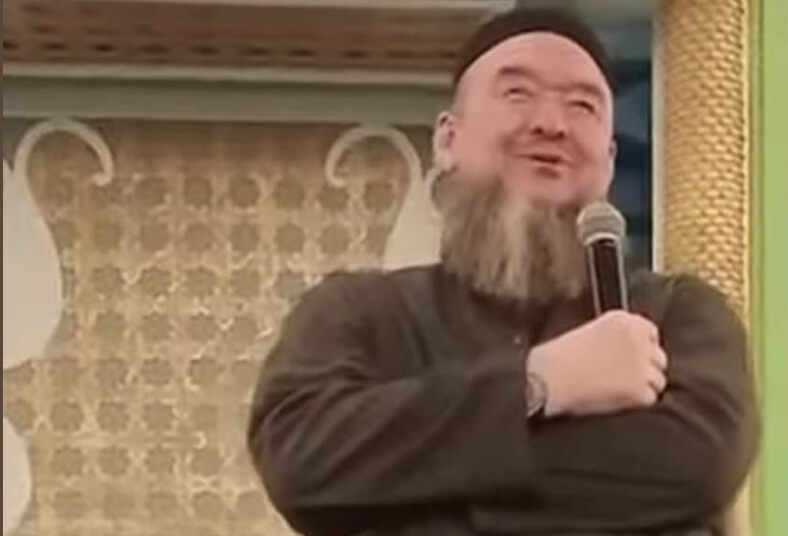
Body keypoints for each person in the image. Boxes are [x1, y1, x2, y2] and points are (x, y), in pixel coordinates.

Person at [247, 9, 757, 536]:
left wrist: (417, 496)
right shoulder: (360, 312)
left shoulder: (677, 314)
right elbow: (301, 457)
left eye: (582, 105)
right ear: (448, 139)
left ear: (607, 160)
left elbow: (699, 466)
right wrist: (540, 382)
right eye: (518, 93)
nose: (551, 123)